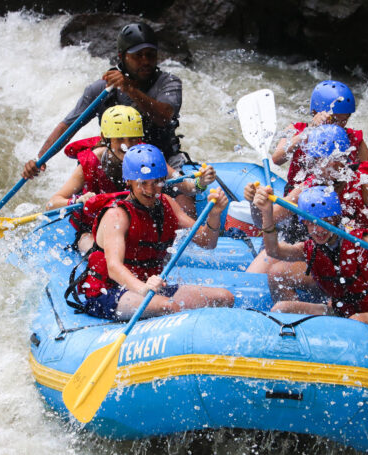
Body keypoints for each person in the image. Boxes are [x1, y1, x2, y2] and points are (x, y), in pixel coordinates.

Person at [66, 144, 233, 321]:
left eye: (156, 182)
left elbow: (207, 241)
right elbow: (114, 268)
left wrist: (214, 215)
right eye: (142, 183)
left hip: (149, 287)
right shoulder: (116, 215)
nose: (150, 190)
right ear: (128, 180)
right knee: (168, 306)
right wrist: (142, 289)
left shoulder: (167, 204)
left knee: (224, 298)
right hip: (107, 291)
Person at [245, 124, 368, 279]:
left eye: (330, 161)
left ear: (343, 160)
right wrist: (256, 204)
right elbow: (265, 220)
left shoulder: (363, 184)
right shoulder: (309, 186)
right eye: (317, 161)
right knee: (262, 273)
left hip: (364, 256)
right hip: (327, 252)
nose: (322, 167)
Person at [253, 184, 368, 338]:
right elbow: (273, 250)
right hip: (341, 312)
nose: (317, 230)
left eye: (324, 222)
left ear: (335, 219)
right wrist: (267, 213)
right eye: (310, 224)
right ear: (304, 223)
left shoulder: (363, 241)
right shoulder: (308, 248)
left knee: (356, 321)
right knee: (281, 309)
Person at [23, 21, 184, 180]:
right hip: (117, 161)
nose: (145, 61)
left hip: (164, 159)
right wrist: (40, 159)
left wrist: (130, 89)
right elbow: (68, 126)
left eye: (150, 54)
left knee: (185, 198)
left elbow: (164, 117)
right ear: (122, 57)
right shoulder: (102, 89)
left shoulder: (169, 83)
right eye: (138, 56)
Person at [46, 105, 215, 253]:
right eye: (120, 139)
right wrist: (79, 200)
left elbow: (187, 187)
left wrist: (201, 183)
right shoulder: (92, 161)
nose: (127, 145)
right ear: (106, 138)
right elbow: (52, 203)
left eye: (133, 139)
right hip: (96, 228)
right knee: (90, 245)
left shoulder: (148, 156)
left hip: (138, 218)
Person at [271, 80, 368, 194]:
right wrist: (309, 131)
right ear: (315, 112)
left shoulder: (354, 138)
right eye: (333, 119)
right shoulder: (296, 129)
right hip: (299, 195)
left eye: (344, 120)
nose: (338, 125)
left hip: (337, 196)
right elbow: (276, 159)